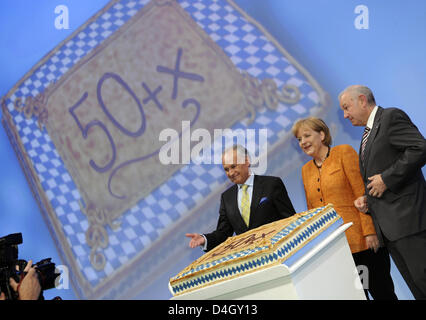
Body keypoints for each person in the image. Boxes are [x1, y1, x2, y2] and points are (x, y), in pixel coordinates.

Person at [292, 117, 397, 300]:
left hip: (364, 243)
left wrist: (370, 232)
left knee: (382, 294)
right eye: (299, 139)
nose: (303, 142)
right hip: (336, 249)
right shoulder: (305, 170)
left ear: (322, 135)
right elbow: (313, 212)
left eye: (307, 136)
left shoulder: (343, 152)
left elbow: (361, 194)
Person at [339, 85, 426, 300]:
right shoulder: (367, 134)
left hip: (409, 223)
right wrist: (367, 200)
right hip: (391, 230)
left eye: (346, 107)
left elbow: (420, 147)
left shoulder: (390, 117)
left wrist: (386, 179)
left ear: (362, 100)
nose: (345, 115)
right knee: (418, 288)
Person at [186, 144, 296, 252]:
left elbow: (290, 219)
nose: (231, 173)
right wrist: (204, 239)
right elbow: (223, 233)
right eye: (226, 169)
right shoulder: (226, 198)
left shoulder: (271, 184)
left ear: (246, 161)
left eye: (233, 166)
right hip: (252, 260)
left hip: (281, 251)